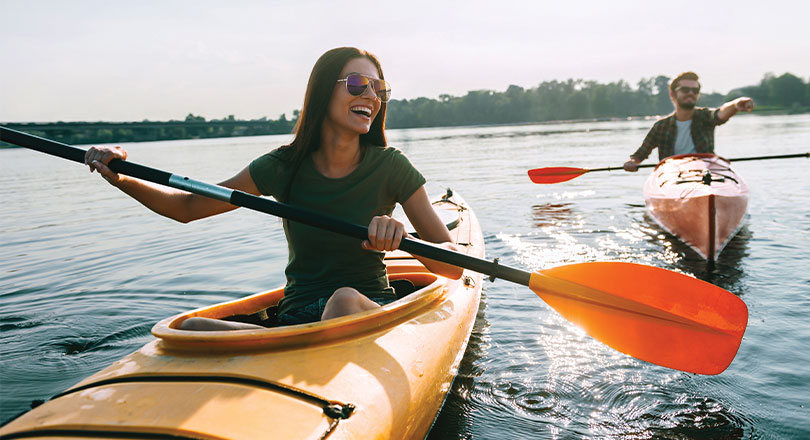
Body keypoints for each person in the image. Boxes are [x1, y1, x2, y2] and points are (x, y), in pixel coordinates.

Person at [83, 47, 463, 330]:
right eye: (358, 84)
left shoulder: (391, 166)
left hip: (364, 307)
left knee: (343, 300)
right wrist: (121, 176)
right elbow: (187, 207)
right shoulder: (282, 166)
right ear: (322, 92)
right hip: (296, 317)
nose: (371, 96)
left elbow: (451, 265)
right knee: (188, 327)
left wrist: (400, 238)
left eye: (379, 88)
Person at [623, 71, 754, 171]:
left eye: (695, 90)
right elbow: (640, 155)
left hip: (705, 172)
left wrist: (736, 105)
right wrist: (632, 162)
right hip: (672, 175)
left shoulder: (705, 116)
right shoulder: (661, 126)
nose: (691, 93)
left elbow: (720, 114)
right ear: (673, 95)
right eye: (685, 90)